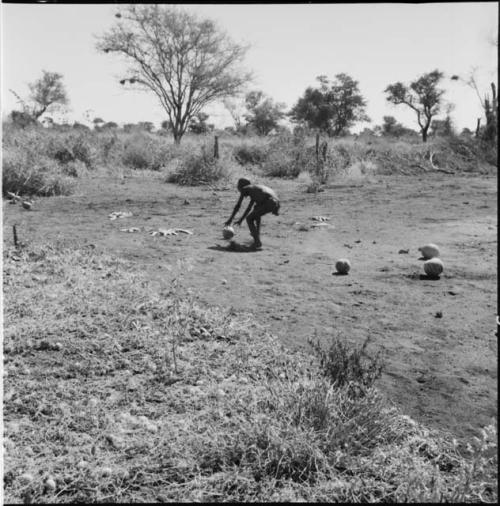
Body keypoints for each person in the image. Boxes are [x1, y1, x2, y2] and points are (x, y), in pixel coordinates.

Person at [225, 178, 280, 249]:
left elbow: (238, 206)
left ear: (240, 186)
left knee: (249, 219)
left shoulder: (245, 188)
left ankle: (257, 242)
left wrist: (230, 219)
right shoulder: (254, 189)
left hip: (269, 202)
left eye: (238, 186)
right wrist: (241, 220)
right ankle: (257, 236)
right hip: (275, 202)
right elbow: (249, 208)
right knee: (256, 211)